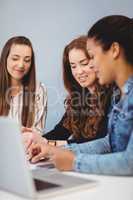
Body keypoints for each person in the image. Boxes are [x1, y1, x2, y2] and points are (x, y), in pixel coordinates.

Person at [28, 15, 133, 176]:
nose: (92, 64)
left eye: (92, 57)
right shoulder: (120, 95)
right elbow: (109, 143)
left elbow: (129, 162)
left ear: (114, 50)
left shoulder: (115, 94)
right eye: (73, 66)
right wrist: (50, 147)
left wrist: (73, 160)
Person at [23, 36, 112, 148]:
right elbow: (60, 132)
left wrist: (51, 144)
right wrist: (34, 140)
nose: (78, 72)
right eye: (73, 66)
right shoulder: (80, 98)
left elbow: (100, 143)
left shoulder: (113, 97)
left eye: (84, 63)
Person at [0, 36, 47, 133]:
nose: (21, 65)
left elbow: (37, 133)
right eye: (15, 58)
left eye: (27, 60)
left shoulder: (39, 90)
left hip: (23, 147)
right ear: (5, 59)